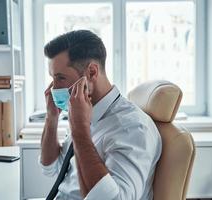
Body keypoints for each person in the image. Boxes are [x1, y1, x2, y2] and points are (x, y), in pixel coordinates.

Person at [39, 30, 162, 200]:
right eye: (53, 78)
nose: (54, 88)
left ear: (91, 73)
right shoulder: (85, 111)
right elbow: (51, 168)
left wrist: (80, 130)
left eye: (60, 78)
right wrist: (51, 118)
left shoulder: (132, 128)